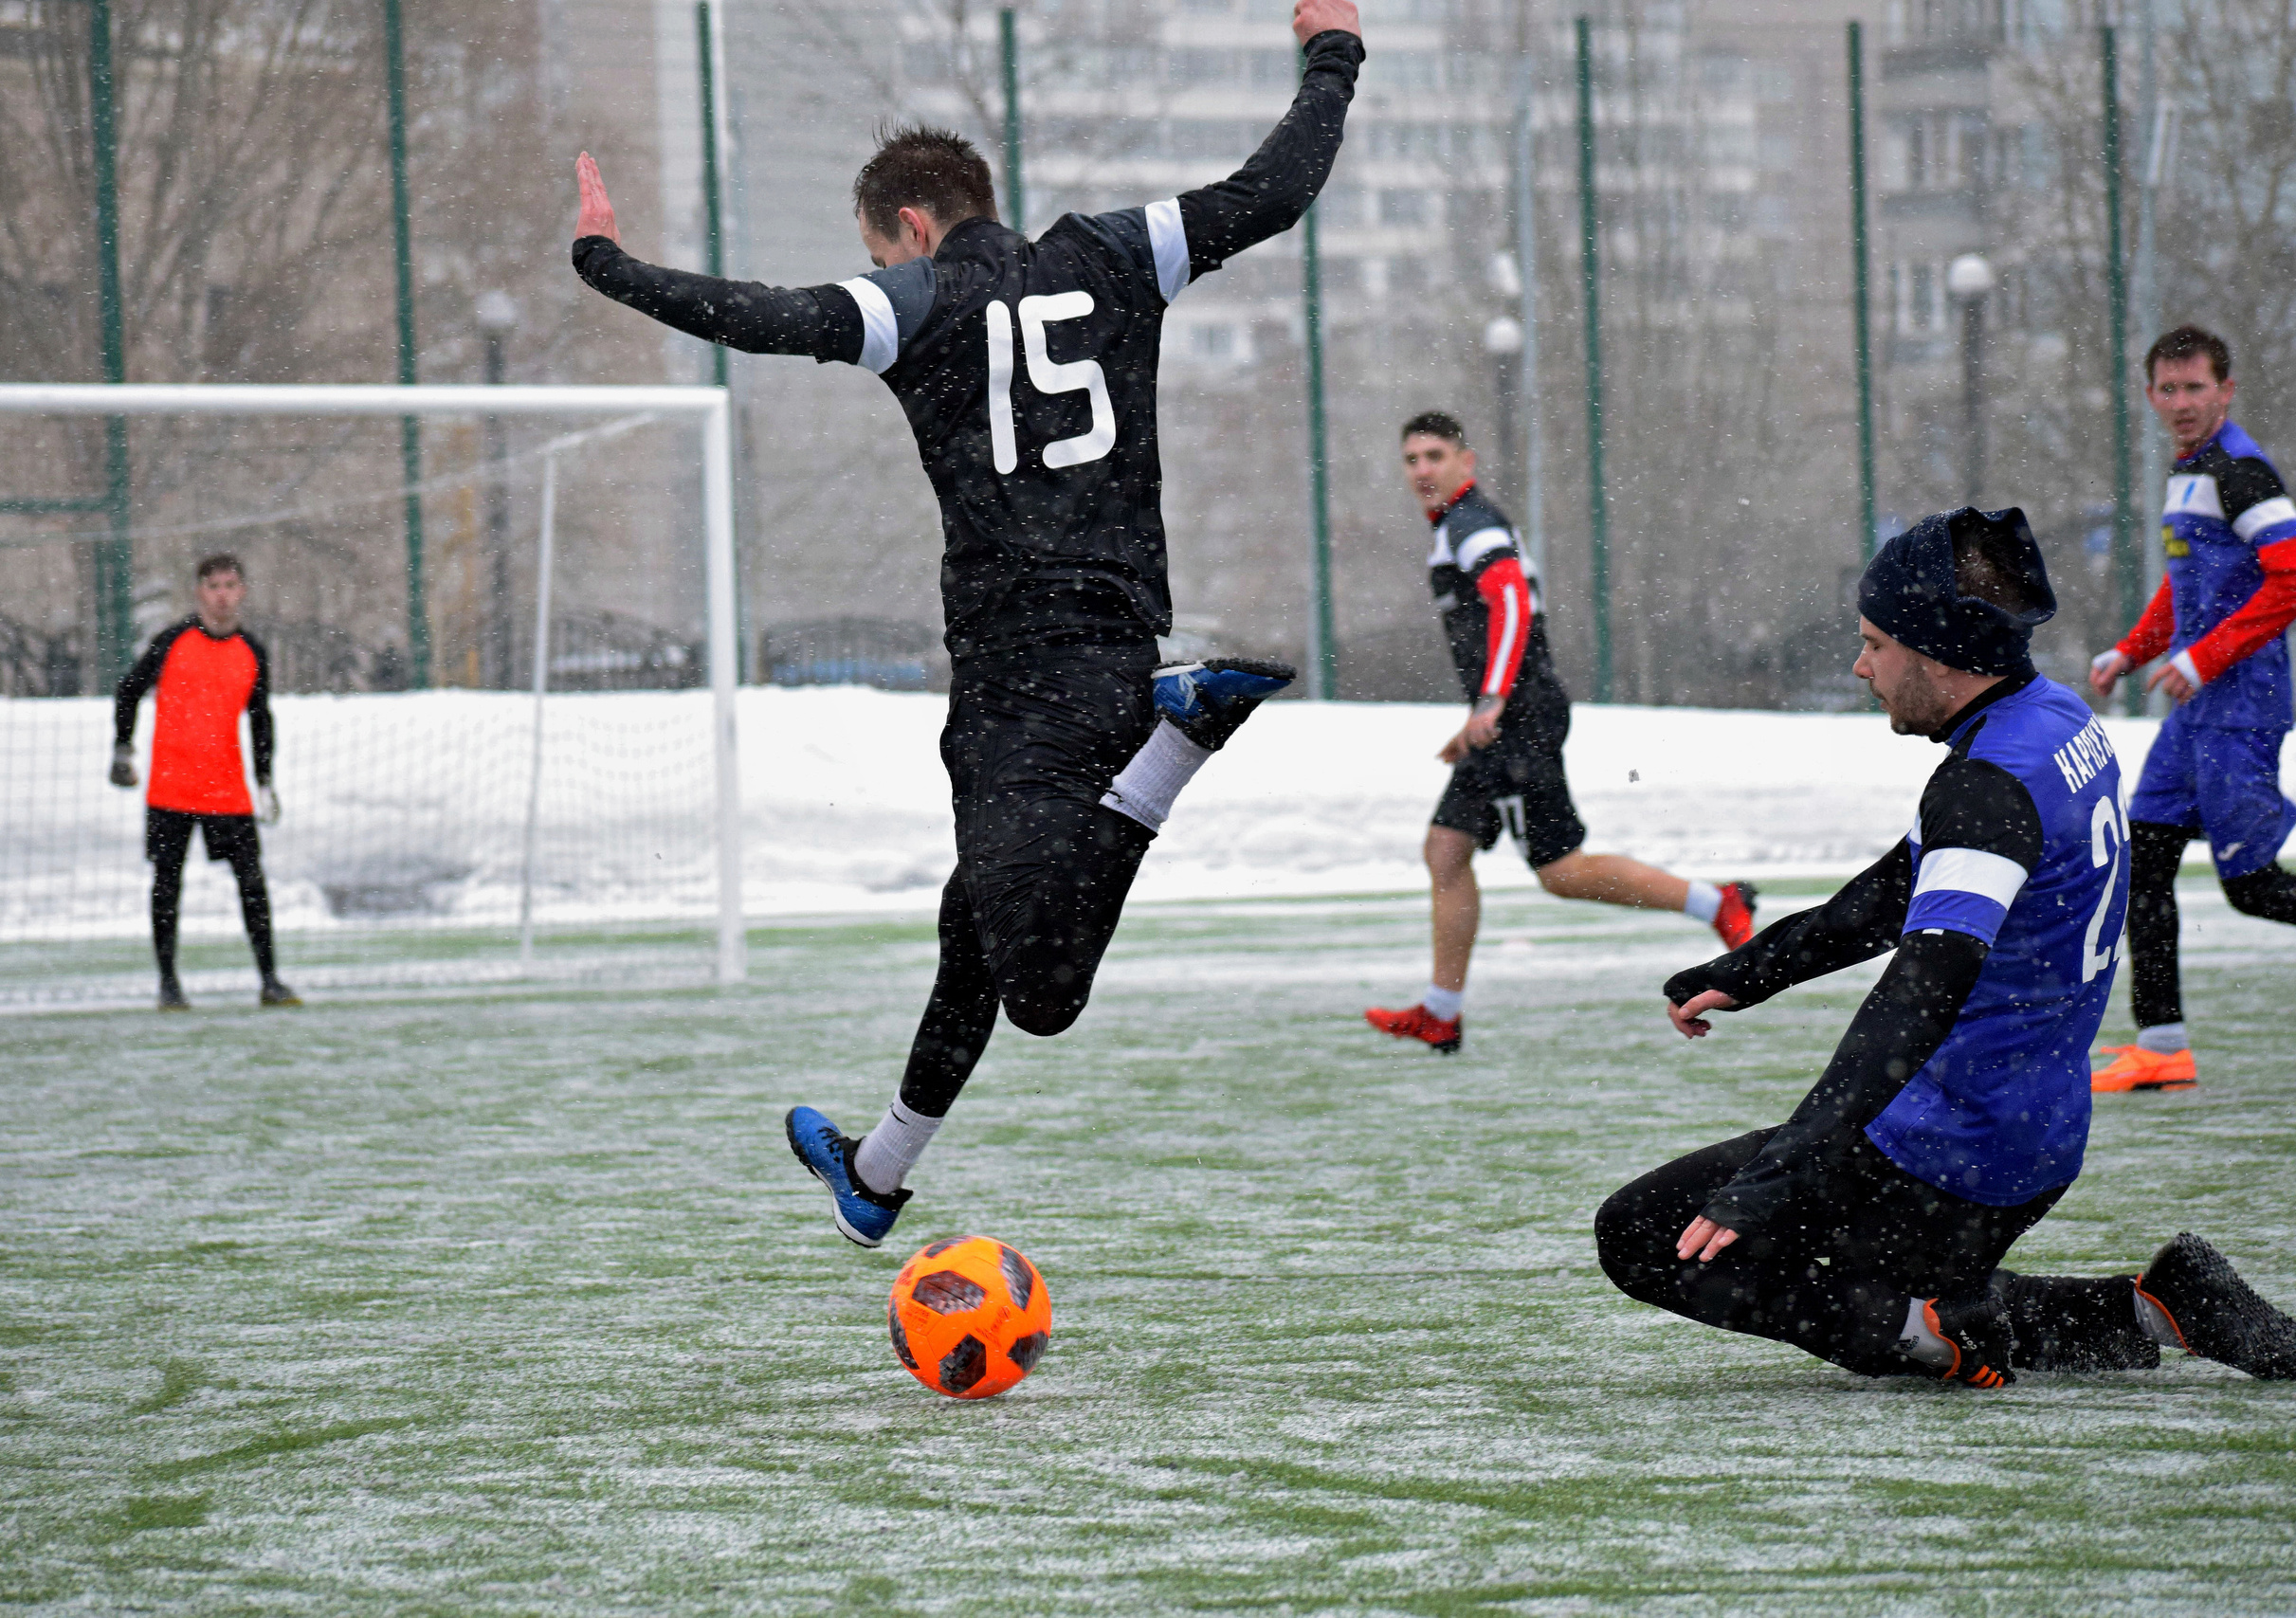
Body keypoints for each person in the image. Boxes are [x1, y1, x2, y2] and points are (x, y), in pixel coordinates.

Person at [571, 1, 1366, 1245]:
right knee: (973, 931)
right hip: (1114, 647)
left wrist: (607, 266)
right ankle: (876, 1173)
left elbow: (760, 314)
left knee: (1043, 987)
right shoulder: (1117, 251)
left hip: (1013, 681)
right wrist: (1332, 58)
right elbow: (1273, 189)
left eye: (883, 249)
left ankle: (1189, 739)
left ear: (912, 225)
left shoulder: (920, 300)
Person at [1594, 507, 2296, 1387]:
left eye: (1873, 644)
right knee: (1910, 1277)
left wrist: (1779, 1173)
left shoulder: (1982, 787)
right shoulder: (2049, 716)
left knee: (1641, 1233)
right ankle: (2157, 1305)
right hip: (2033, 1134)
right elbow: (1900, 886)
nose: (1861, 665)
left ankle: (1943, 1336)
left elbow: (1914, 1002)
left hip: (1945, 1154)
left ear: (1935, 653)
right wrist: (1750, 972)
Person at [1363, 413, 1758, 1054]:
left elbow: (1513, 602)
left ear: (1468, 461)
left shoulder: (1471, 524)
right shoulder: (1456, 528)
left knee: (1560, 870)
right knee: (1445, 850)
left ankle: (1716, 902)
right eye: (1411, 459)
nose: (1422, 470)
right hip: (1507, 719)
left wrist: (1491, 701)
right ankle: (1441, 1010)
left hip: (1520, 719)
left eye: (1435, 455)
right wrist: (1476, 719)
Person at [2086, 325, 2296, 1094]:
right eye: (2168, 388)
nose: (2182, 402)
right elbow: (2186, 586)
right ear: (2150, 394)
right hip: (2191, 716)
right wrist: (2135, 648)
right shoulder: (2188, 470)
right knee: (2142, 860)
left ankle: (2162, 1040)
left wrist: (2201, 658)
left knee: (2250, 886)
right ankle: (2162, 1043)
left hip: (2239, 711)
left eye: (2196, 387)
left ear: (2226, 391)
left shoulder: (2243, 472)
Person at [110, 554, 298, 1011]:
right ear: (199, 592)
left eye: (231, 585)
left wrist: (265, 779)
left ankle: (270, 980)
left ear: (243, 591)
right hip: (170, 789)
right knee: (167, 885)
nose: (223, 595)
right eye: (214, 586)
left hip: (227, 790)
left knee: (252, 883)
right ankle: (169, 984)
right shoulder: (172, 641)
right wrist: (122, 748)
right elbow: (129, 690)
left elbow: (259, 718)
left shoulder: (251, 650)